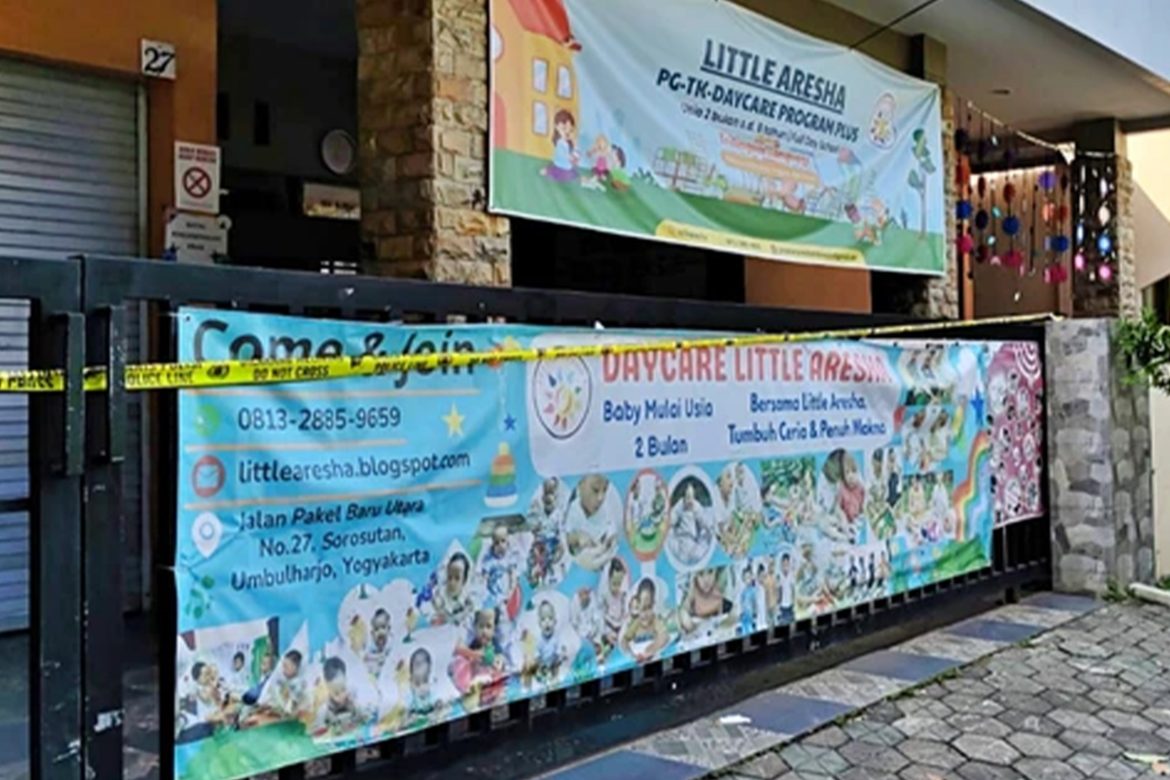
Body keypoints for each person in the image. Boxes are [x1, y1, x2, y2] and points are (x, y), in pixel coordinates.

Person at [449, 607, 510, 708]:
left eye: (488, 626)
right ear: (475, 627)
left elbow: (501, 662)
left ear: (494, 629)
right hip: (476, 682)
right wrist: (474, 655)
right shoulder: (472, 643)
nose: (484, 631)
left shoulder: (495, 645)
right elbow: (459, 651)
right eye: (481, 626)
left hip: (490, 681)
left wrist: (498, 663)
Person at [315, 657, 368, 737]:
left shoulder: (353, 700)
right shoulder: (324, 710)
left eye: (343, 689)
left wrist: (361, 712)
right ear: (328, 688)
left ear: (346, 680)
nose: (341, 696)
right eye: (336, 693)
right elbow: (318, 733)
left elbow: (365, 719)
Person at [621, 579, 670, 662]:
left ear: (654, 604)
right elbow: (625, 639)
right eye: (643, 609)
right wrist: (631, 653)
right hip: (638, 657)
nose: (645, 614)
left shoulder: (654, 621)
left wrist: (653, 647)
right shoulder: (637, 623)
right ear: (638, 606)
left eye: (649, 607)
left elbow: (665, 636)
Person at [679, 567, 732, 636]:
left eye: (710, 571)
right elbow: (684, 610)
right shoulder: (693, 591)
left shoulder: (721, 591)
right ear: (695, 577)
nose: (706, 580)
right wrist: (685, 618)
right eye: (700, 574)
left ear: (716, 573)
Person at [432, 552, 475, 628]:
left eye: (457, 578)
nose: (452, 583)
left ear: (464, 580)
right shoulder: (441, 594)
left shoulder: (467, 597)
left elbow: (471, 611)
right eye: (449, 577)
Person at [598, 558, 628, 654]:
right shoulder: (604, 597)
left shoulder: (623, 595)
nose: (617, 588)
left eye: (620, 584)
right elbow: (601, 618)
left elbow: (625, 613)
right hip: (608, 630)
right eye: (614, 584)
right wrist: (607, 632)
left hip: (620, 629)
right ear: (608, 580)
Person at [543, 110, 579, 182]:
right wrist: (575, 147)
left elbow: (574, 160)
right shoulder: (561, 143)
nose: (567, 132)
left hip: (566, 168)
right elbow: (571, 158)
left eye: (570, 129)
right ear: (557, 127)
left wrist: (574, 145)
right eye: (563, 129)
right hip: (560, 168)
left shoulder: (568, 143)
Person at [570, 587, 603, 657]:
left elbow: (597, 618)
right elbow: (574, 623)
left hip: (592, 632)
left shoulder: (592, 599)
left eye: (586, 593)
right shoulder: (575, 602)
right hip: (583, 635)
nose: (584, 596)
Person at [406, 648, 436, 718]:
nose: (418, 665)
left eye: (423, 661)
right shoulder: (409, 691)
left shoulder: (434, 688)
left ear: (429, 667)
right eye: (415, 662)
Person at [364, 608, 392, 679]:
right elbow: (365, 658)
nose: (380, 632)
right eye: (376, 629)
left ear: (389, 629)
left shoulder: (391, 644)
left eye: (383, 627)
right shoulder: (370, 646)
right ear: (372, 633)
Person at [777, 552, 796, 625]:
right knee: (783, 623)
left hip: (790, 603)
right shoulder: (779, 575)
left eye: (787, 564)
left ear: (789, 564)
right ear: (782, 564)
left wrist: (793, 601)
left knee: (791, 622)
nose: (785, 566)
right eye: (784, 564)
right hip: (782, 604)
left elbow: (793, 589)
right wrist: (778, 603)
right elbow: (779, 590)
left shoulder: (791, 574)